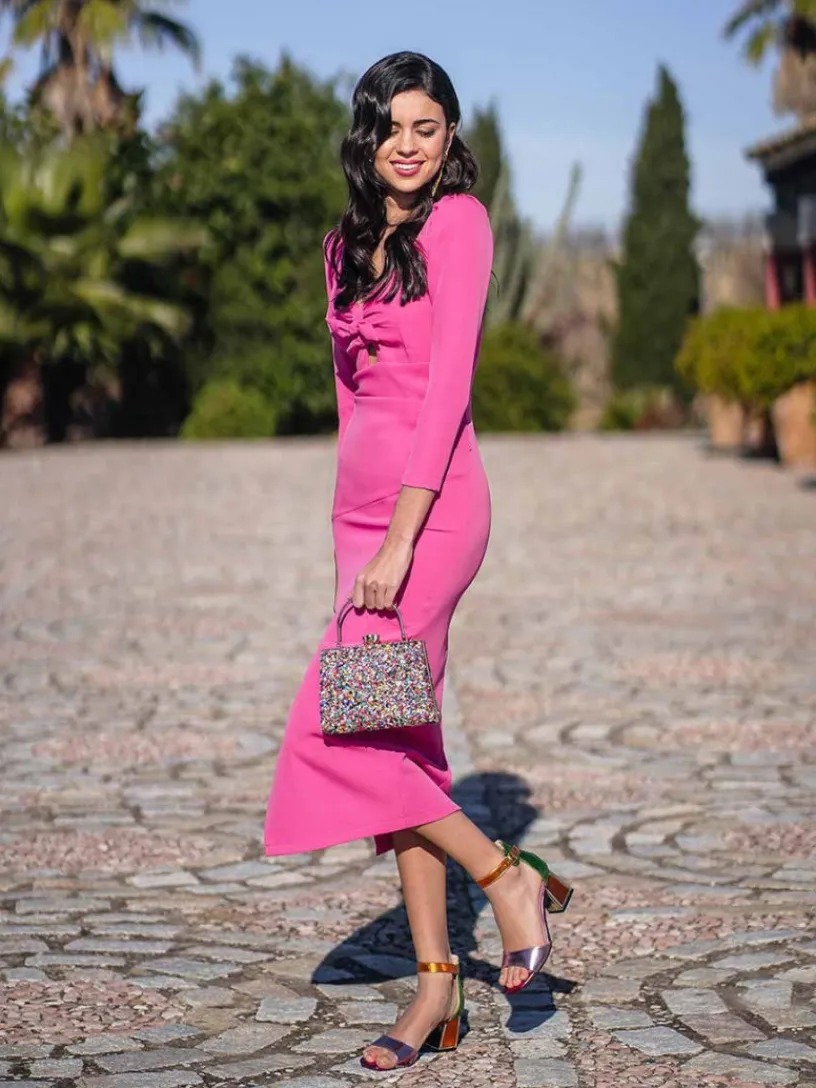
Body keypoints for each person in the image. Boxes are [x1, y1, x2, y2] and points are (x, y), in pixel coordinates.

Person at [264, 50, 573, 1071]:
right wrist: (351, 536)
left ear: (449, 138)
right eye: (391, 126)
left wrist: (398, 538)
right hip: (363, 525)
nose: (407, 143)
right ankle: (438, 991)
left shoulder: (461, 224)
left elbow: (442, 396)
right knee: (401, 739)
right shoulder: (341, 246)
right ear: (368, 136)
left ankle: (505, 876)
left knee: (339, 723)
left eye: (426, 127)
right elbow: (354, 403)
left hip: (432, 515)